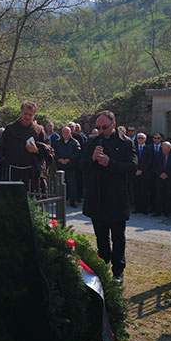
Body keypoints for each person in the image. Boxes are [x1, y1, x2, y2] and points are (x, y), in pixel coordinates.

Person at [80, 110, 136, 282]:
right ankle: (103, 266)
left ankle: (118, 271)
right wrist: (92, 159)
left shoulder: (126, 143)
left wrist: (110, 163)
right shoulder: (92, 141)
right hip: (97, 197)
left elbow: (132, 167)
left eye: (104, 127)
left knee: (118, 238)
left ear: (114, 125)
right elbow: (80, 164)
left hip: (116, 198)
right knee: (101, 237)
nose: (101, 131)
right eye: (98, 127)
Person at [0, 101, 54, 192]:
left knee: (32, 198)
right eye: (25, 114)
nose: (27, 117)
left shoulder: (38, 130)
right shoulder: (10, 128)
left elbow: (49, 150)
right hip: (13, 171)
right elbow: (1, 146)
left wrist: (36, 150)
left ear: (34, 115)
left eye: (30, 115)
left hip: (32, 172)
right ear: (21, 112)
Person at [53, 125, 81, 207]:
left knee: (72, 184)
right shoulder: (57, 142)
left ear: (70, 133)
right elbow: (53, 152)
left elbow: (78, 152)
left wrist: (69, 159)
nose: (65, 134)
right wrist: (59, 159)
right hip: (60, 166)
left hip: (71, 166)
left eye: (67, 132)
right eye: (64, 132)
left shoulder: (75, 142)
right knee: (60, 184)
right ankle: (61, 201)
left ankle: (72, 201)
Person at [152, 140, 171, 217]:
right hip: (159, 177)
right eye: (164, 148)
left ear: (170, 148)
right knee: (158, 194)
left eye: (167, 148)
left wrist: (168, 174)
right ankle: (158, 211)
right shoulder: (156, 155)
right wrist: (160, 173)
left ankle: (167, 211)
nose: (165, 150)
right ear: (161, 147)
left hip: (169, 178)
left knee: (168, 194)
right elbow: (154, 166)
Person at [133, 132, 154, 214]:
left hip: (145, 173)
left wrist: (142, 170)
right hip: (135, 173)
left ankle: (144, 208)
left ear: (145, 139)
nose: (140, 139)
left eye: (142, 138)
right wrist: (136, 170)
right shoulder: (133, 148)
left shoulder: (149, 148)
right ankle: (137, 208)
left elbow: (149, 161)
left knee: (145, 191)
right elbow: (132, 159)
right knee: (136, 191)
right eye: (139, 138)